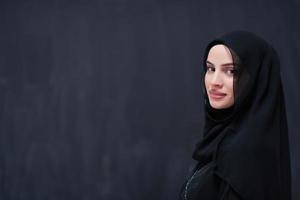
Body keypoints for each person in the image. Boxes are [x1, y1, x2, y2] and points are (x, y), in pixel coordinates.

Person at [179, 31, 291, 200]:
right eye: (210, 69)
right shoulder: (220, 141)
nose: (215, 81)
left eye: (231, 71)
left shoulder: (243, 155)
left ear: (255, 80)